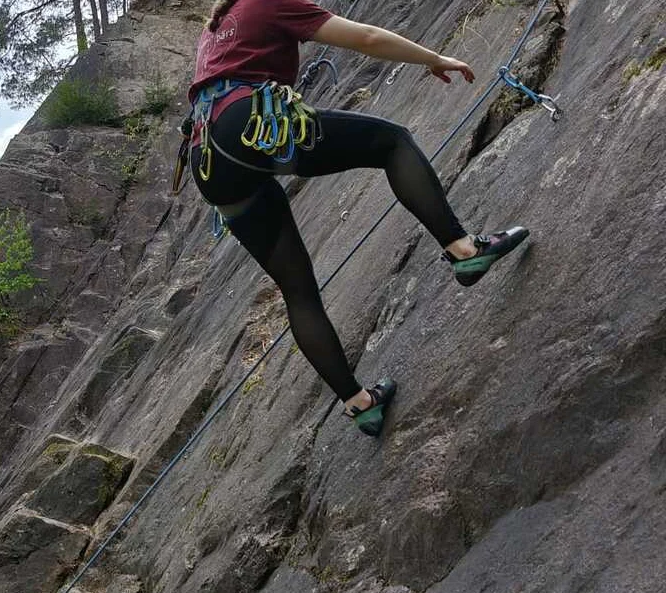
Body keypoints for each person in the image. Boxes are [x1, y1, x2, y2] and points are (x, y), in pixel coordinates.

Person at [187, 0, 529, 436]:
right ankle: (463, 250)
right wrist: (432, 58)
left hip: (209, 162)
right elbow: (365, 38)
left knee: (297, 290)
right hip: (248, 127)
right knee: (392, 143)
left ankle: (360, 404)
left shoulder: (216, 26)